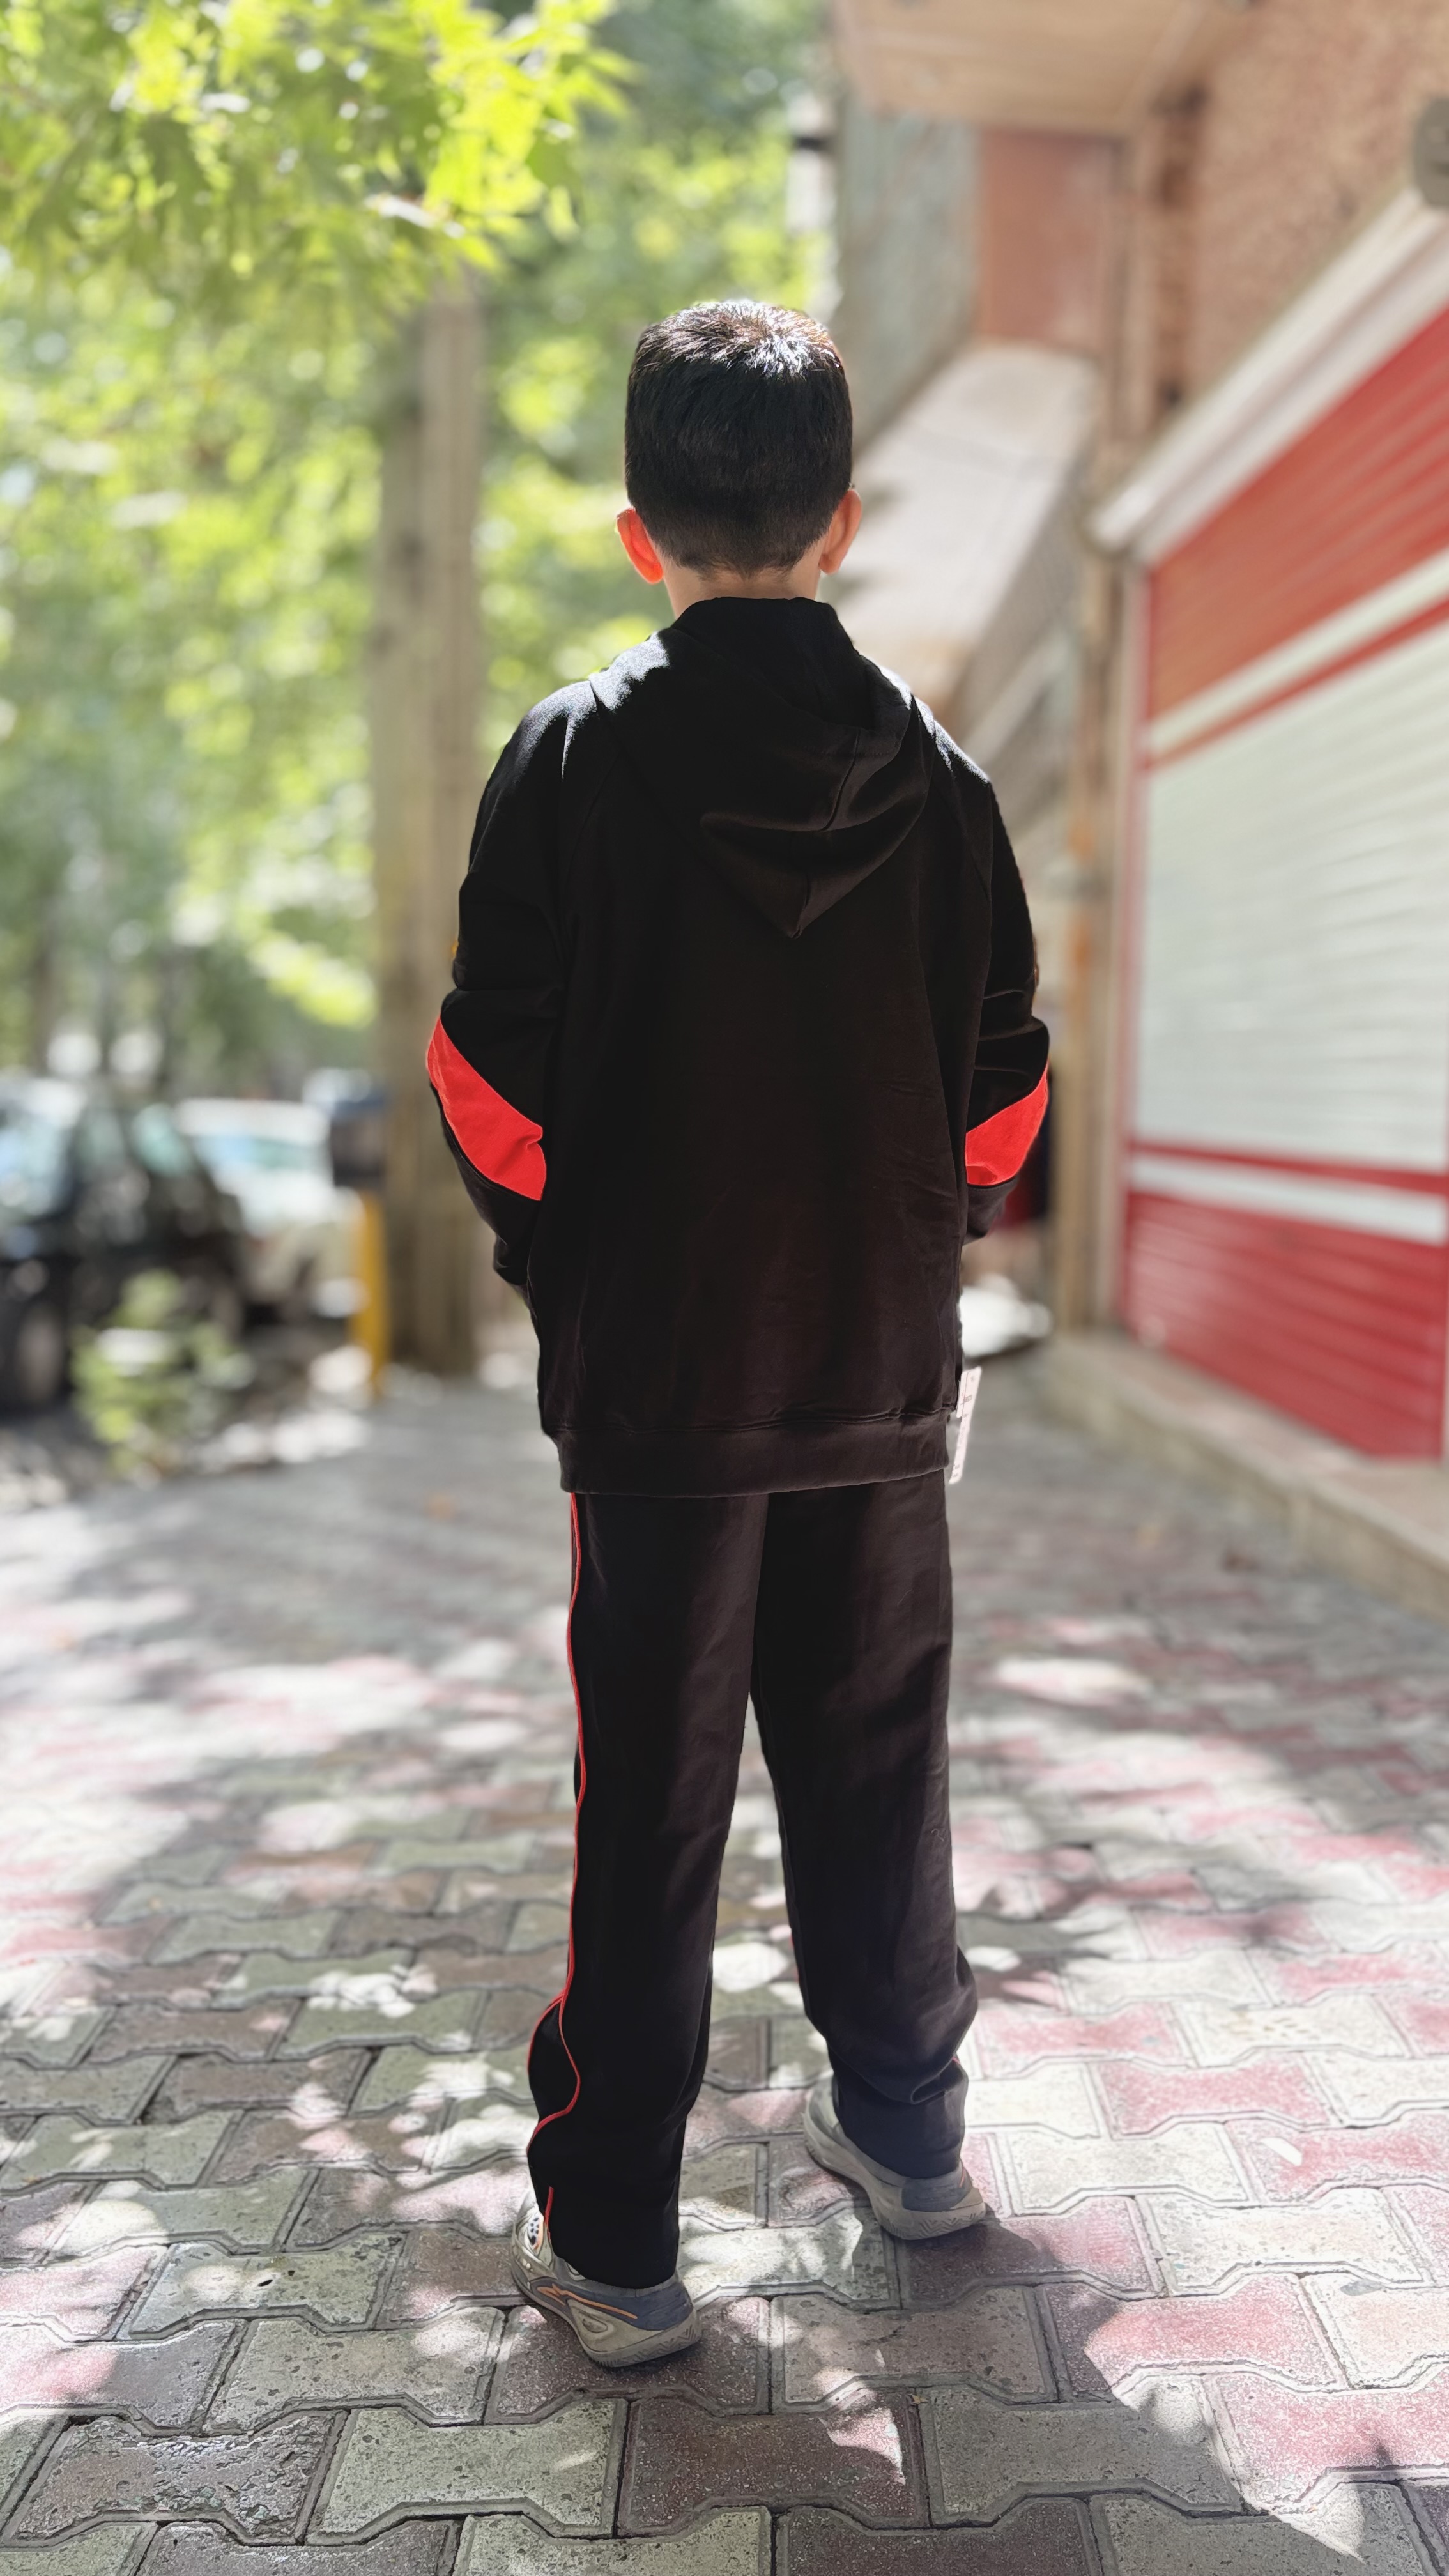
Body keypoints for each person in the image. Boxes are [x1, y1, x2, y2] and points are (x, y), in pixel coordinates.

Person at [428, 300, 1048, 2366]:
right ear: (840, 522)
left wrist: (570, 1264)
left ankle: (616, 2243)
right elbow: (1006, 1095)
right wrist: (917, 1248)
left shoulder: (569, 760)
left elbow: (482, 1080)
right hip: (875, 1372)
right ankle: (914, 2143)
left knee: (653, 1801)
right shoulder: (947, 788)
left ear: (638, 533)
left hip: (663, 1387)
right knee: (879, 1772)